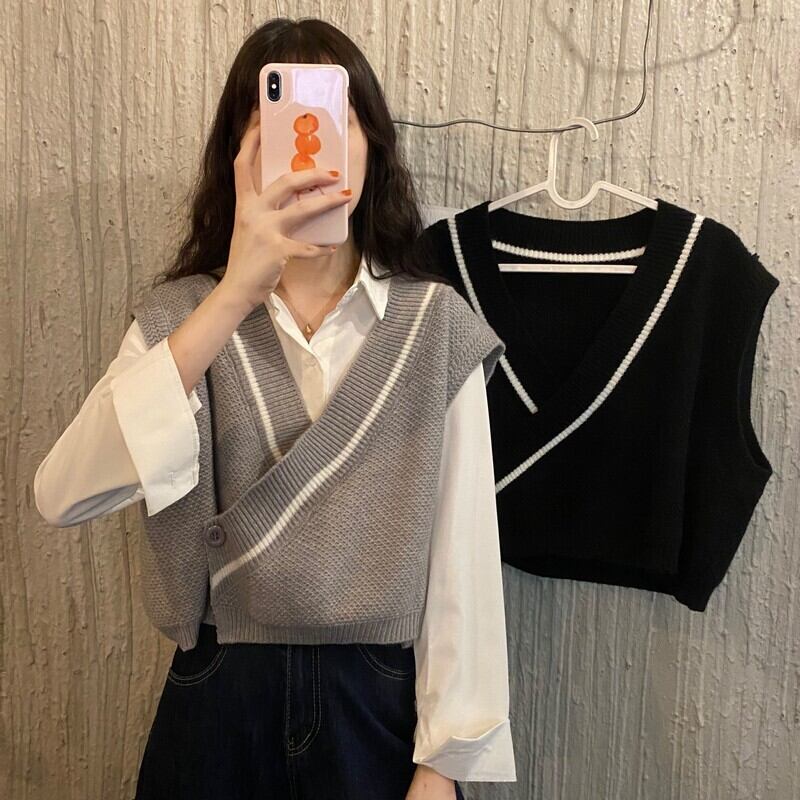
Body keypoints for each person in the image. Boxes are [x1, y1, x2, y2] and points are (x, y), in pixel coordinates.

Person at [34, 17, 516, 800]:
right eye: (281, 127)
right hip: (219, 696)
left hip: (378, 707)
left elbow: (462, 561)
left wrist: (443, 767)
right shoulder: (182, 322)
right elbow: (62, 495)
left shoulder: (434, 330)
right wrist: (232, 295)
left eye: (335, 121)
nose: (310, 154)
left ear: (373, 146)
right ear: (240, 157)